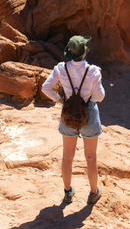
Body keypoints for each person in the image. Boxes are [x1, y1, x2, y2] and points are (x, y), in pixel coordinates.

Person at [41, 35, 105, 205]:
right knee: (91, 157)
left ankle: (68, 192)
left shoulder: (61, 68)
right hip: (89, 113)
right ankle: (93, 193)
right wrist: (97, 77)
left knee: (67, 157)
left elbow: (45, 88)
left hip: (68, 113)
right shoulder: (92, 71)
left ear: (69, 52)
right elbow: (100, 97)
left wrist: (61, 100)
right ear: (85, 52)